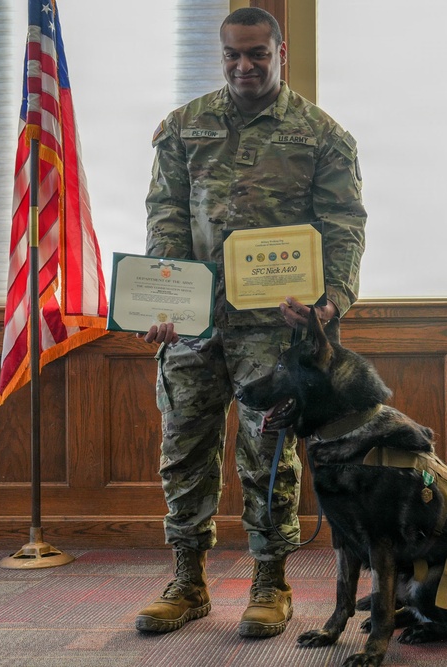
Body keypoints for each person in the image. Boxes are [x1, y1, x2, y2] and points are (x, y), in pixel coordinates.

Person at [133, 7, 366, 639]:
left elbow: (343, 226)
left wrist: (331, 301)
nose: (244, 65)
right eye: (233, 54)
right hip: (195, 325)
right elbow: (166, 217)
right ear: (222, 54)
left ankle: (271, 581)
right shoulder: (183, 128)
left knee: (269, 455)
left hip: (278, 328)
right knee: (183, 448)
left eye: (257, 53)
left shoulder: (320, 135)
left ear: (280, 52)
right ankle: (187, 581)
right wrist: (162, 298)